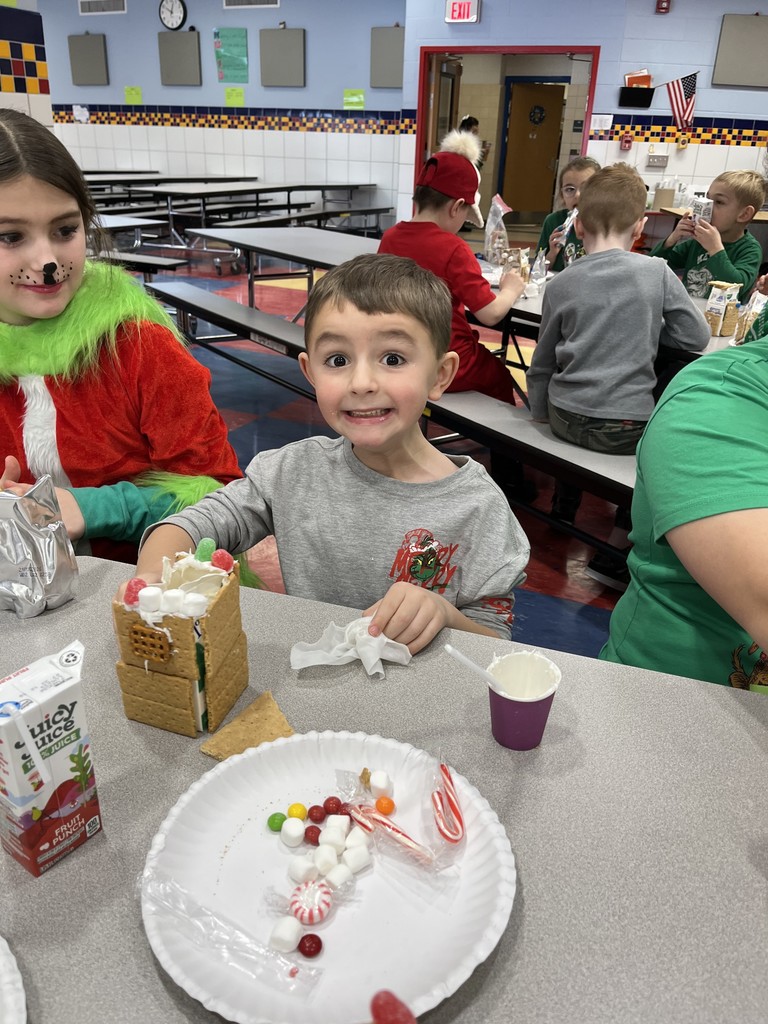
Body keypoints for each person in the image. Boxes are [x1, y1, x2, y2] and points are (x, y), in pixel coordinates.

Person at [129, 254, 530, 654]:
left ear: (440, 375)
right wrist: (151, 578)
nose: (361, 382)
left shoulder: (479, 508)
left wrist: (444, 614)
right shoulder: (289, 473)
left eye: (393, 359)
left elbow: (495, 644)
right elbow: (198, 523)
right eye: (337, 360)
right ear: (310, 372)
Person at [0, 108, 242, 562]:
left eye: (66, 229)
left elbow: (222, 498)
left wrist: (90, 508)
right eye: (11, 237)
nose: (47, 261)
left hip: (146, 594)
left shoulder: (137, 346)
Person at [526, 163, 710, 589]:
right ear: (641, 225)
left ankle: (563, 507)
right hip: (624, 428)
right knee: (656, 427)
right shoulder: (656, 272)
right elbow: (695, 338)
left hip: (564, 418)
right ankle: (612, 552)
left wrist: (538, 415)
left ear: (580, 223)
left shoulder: (562, 283)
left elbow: (543, 362)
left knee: (570, 393)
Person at [600, 336, 768, 688]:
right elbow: (693, 334)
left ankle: (594, 527)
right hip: (676, 707)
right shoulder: (717, 400)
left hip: (575, 411)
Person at [378, 131, 532, 496]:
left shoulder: (391, 238)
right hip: (450, 360)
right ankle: (510, 479)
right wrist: (511, 288)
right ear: (456, 207)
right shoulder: (453, 247)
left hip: (398, 355)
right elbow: (491, 314)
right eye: (465, 216)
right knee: (499, 378)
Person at [649, 169, 765, 302]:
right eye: (707, 198)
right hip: (690, 314)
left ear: (744, 214)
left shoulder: (750, 250)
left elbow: (735, 288)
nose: (706, 207)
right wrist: (671, 239)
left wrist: (715, 250)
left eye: (719, 202)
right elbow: (653, 266)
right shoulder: (698, 242)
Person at [536, 156, 601, 273]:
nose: (577, 195)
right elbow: (538, 270)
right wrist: (552, 253)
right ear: (562, 195)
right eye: (570, 189)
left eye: (586, 188)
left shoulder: (605, 223)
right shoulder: (553, 221)